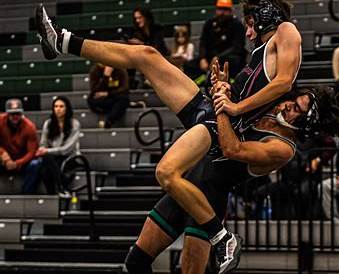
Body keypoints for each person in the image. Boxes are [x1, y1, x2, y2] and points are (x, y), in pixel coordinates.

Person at [35, 0, 306, 272]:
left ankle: (223, 238)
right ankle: (61, 41)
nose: (247, 33)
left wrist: (233, 105)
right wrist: (222, 90)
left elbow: (284, 83)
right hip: (213, 113)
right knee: (147, 55)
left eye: (249, 25)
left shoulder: (286, 31)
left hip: (219, 128)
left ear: (264, 16)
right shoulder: (263, 50)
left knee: (165, 172)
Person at [125, 84, 339, 274]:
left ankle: (223, 239)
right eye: (292, 100)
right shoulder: (264, 109)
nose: (287, 106)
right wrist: (222, 87)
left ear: (305, 123)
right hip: (185, 189)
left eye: (297, 109)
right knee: (136, 261)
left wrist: (222, 104)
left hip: (209, 201)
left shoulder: (283, 148)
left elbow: (231, 148)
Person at [36, 96, 80, 195]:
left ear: (67, 108)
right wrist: (43, 149)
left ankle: (58, 189)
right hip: (53, 157)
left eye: (61, 106)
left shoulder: (74, 124)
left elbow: (67, 149)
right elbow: (43, 143)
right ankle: (60, 187)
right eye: (56, 106)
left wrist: (47, 151)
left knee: (46, 165)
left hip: (69, 157)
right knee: (43, 170)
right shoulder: (48, 123)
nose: (58, 109)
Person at [195, 0, 246, 79]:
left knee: (234, 61)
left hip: (228, 56)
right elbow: (203, 42)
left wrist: (218, 57)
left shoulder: (237, 24)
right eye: (220, 9)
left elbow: (237, 47)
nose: (222, 12)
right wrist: (202, 58)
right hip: (210, 56)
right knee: (189, 65)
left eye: (225, 10)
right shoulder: (209, 23)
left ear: (230, 11)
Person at [0, 99, 41, 194]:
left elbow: (32, 152)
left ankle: (26, 195)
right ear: (7, 114)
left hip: (22, 160)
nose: (15, 116)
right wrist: (4, 155)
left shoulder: (29, 127)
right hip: (4, 158)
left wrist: (17, 163)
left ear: (22, 113)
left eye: (17, 114)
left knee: (35, 164)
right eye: (12, 114)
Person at [126, 6, 170, 88]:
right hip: (144, 60)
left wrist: (142, 44)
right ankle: (131, 84)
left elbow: (157, 47)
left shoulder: (157, 29)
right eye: (136, 18)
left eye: (140, 18)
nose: (137, 21)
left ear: (146, 17)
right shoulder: (135, 32)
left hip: (160, 56)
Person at [88, 63, 129, 128]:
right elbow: (94, 90)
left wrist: (108, 93)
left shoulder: (120, 69)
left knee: (123, 99)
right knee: (91, 99)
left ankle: (109, 121)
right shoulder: (95, 70)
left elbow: (124, 88)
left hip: (115, 96)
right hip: (103, 99)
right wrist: (106, 76)